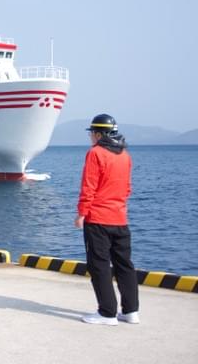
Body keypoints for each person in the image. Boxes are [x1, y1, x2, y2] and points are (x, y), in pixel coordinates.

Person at [75, 114, 139, 326]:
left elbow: (89, 186)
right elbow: (127, 188)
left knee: (99, 266)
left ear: (99, 134)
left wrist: (82, 214)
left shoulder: (95, 153)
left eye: (91, 133)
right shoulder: (125, 155)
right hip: (120, 218)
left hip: (98, 220)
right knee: (124, 265)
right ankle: (130, 311)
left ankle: (107, 313)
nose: (90, 137)